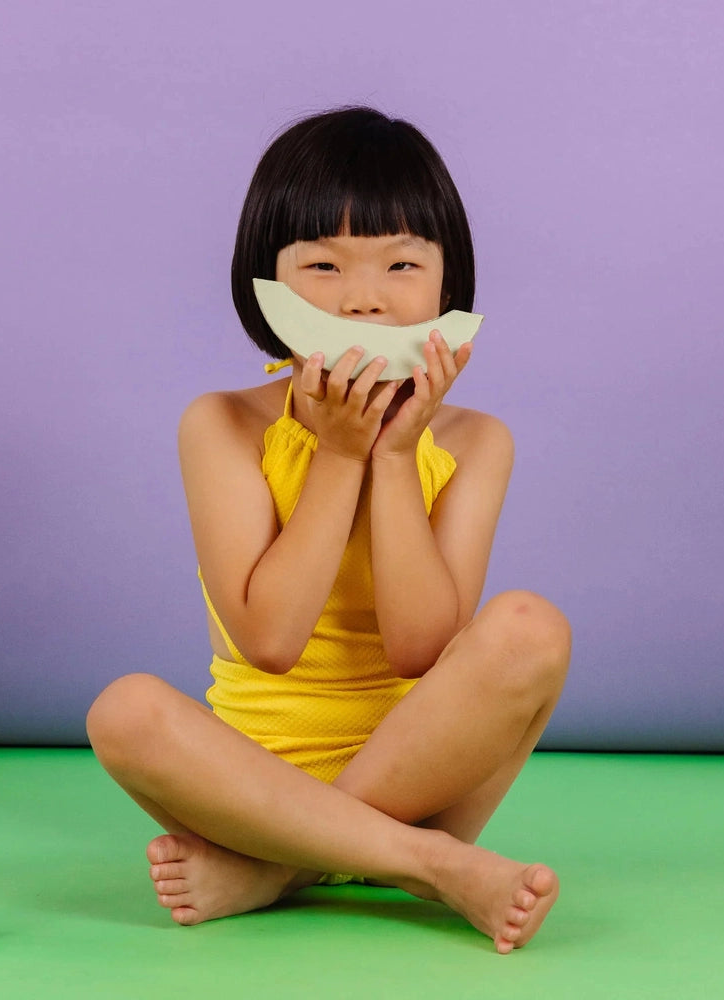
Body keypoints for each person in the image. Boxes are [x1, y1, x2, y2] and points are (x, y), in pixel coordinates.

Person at [87, 106, 572, 954]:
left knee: (533, 629)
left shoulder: (477, 441)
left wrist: (392, 459)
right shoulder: (221, 425)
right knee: (124, 711)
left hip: (427, 774)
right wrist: (337, 457)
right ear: (263, 286)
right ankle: (426, 866)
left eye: (400, 264)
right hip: (249, 787)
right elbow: (270, 640)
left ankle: (285, 869)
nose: (363, 298)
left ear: (447, 287)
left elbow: (423, 649)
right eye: (322, 265)